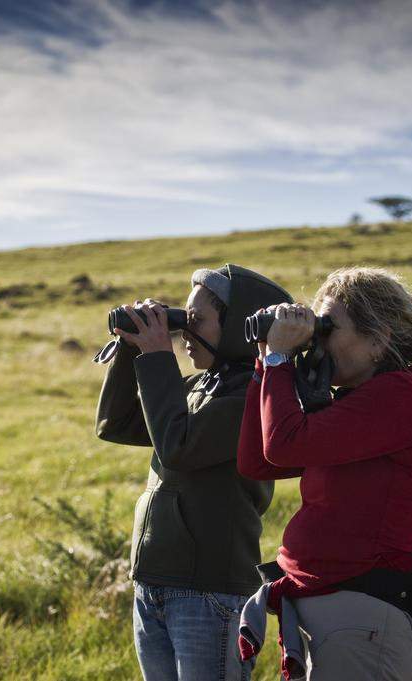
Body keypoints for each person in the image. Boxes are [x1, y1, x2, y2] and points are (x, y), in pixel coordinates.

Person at [237, 266, 412, 680]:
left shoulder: (400, 398)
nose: (317, 339)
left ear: (378, 339)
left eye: (327, 327)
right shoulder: (356, 401)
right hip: (333, 613)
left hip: (360, 618)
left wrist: (282, 360)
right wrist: (267, 362)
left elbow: (284, 444)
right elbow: (259, 461)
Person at [95, 264, 292, 681]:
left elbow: (178, 447)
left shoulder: (252, 396)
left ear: (240, 327)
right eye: (182, 319)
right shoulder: (198, 387)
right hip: (154, 581)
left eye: (196, 320)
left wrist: (157, 356)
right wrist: (132, 349)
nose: (184, 333)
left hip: (209, 590)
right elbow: (115, 425)